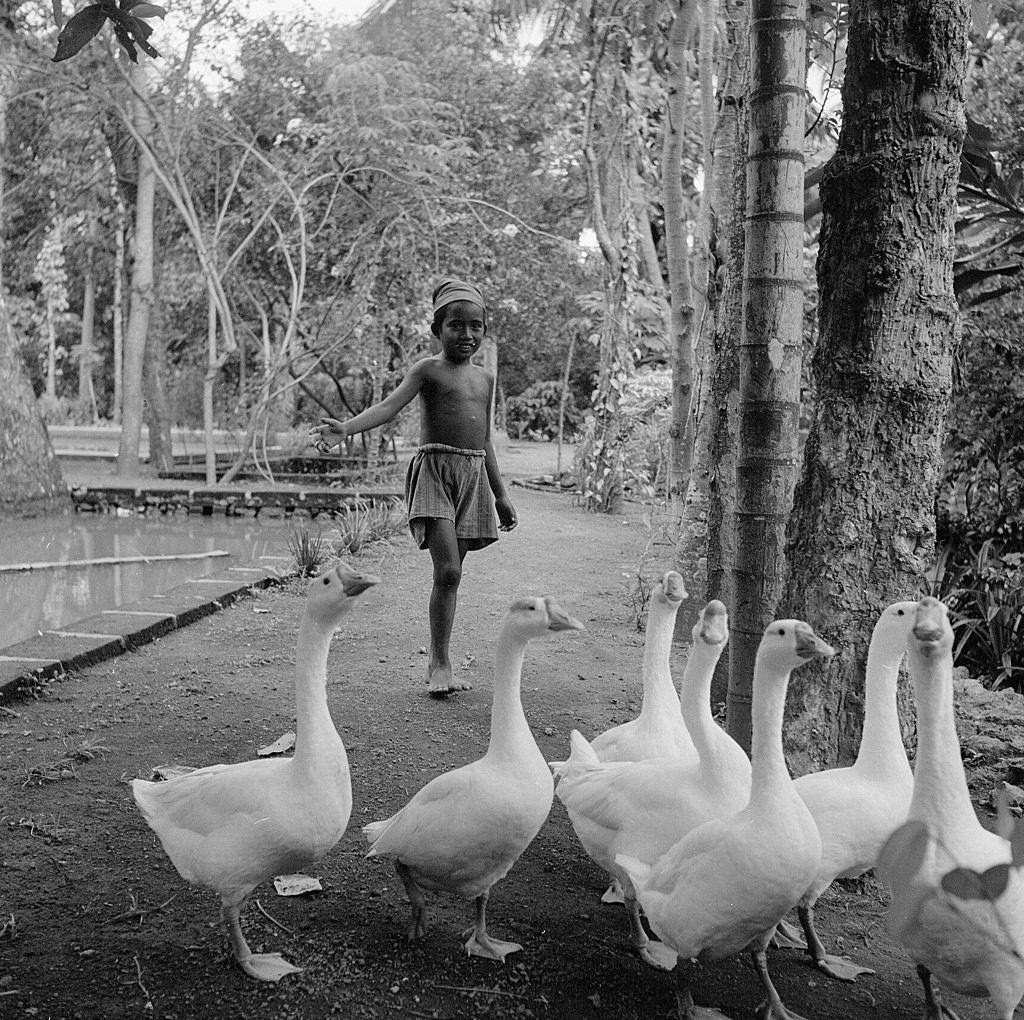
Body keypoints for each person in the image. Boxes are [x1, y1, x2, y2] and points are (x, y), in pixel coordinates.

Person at [308, 278, 518, 697]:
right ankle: (440, 662)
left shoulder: (485, 380)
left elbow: (485, 439)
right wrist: (346, 428)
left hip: (472, 477)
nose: (467, 335)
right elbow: (388, 408)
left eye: (476, 326)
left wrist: (501, 494)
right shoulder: (427, 371)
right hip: (434, 474)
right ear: (438, 328)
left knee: (451, 579)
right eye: (456, 325)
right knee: (449, 569)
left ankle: (439, 656)